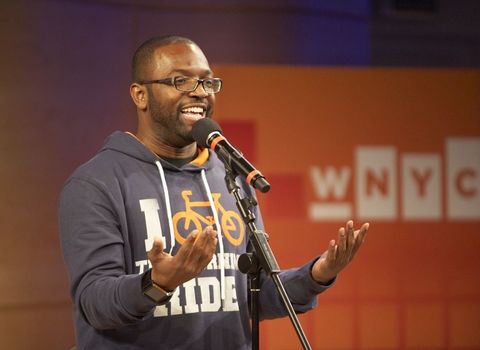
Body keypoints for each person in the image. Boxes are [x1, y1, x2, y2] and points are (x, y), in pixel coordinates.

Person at [59, 35, 369, 349]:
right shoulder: (96, 184)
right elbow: (95, 304)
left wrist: (317, 274)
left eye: (207, 82)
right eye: (180, 81)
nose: (199, 93)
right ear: (141, 95)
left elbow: (252, 295)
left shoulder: (229, 178)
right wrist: (157, 283)